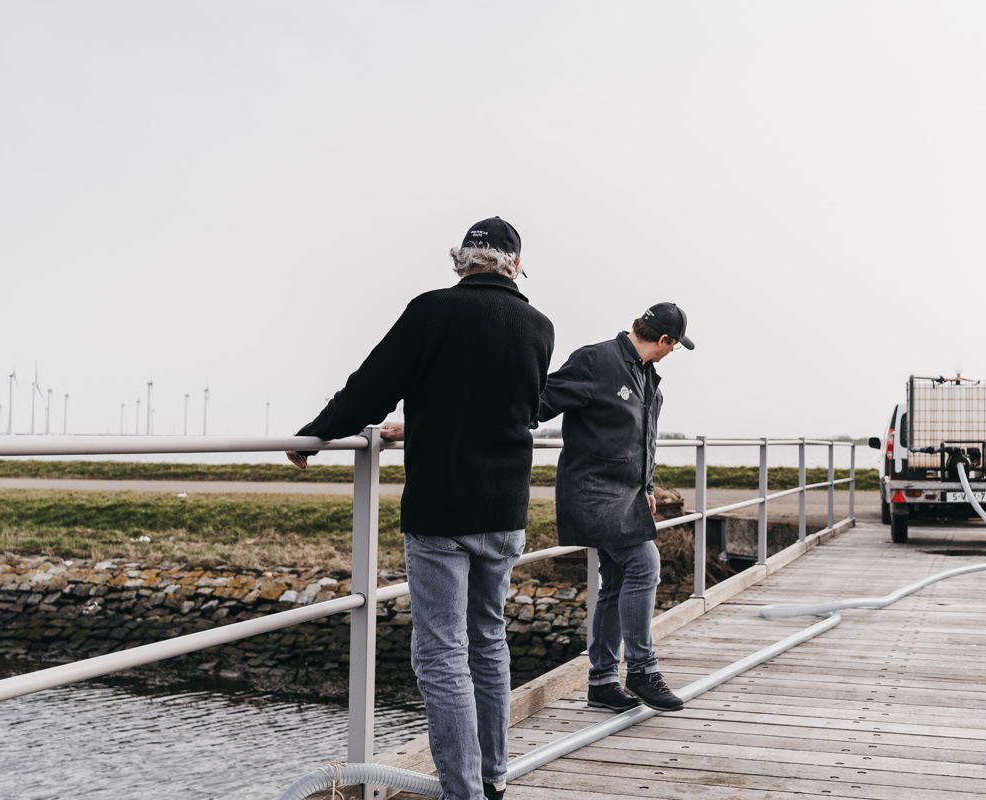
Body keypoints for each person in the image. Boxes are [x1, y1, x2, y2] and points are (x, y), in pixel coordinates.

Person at [286, 217, 554, 800]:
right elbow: (519, 408)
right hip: (505, 509)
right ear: (514, 263)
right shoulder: (539, 326)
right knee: (488, 638)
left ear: (463, 260)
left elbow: (371, 388)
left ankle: (462, 791)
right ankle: (494, 776)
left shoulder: (432, 310)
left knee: (441, 653)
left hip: (441, 508)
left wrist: (315, 434)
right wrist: (424, 421)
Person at [535, 303, 694, 713]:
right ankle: (641, 669)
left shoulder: (648, 379)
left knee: (618, 580)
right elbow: (536, 403)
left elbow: (644, 440)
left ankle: (602, 680)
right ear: (663, 340)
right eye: (674, 346)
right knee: (645, 564)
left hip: (628, 495)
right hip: (592, 491)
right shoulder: (596, 360)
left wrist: (647, 485)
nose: (672, 353)